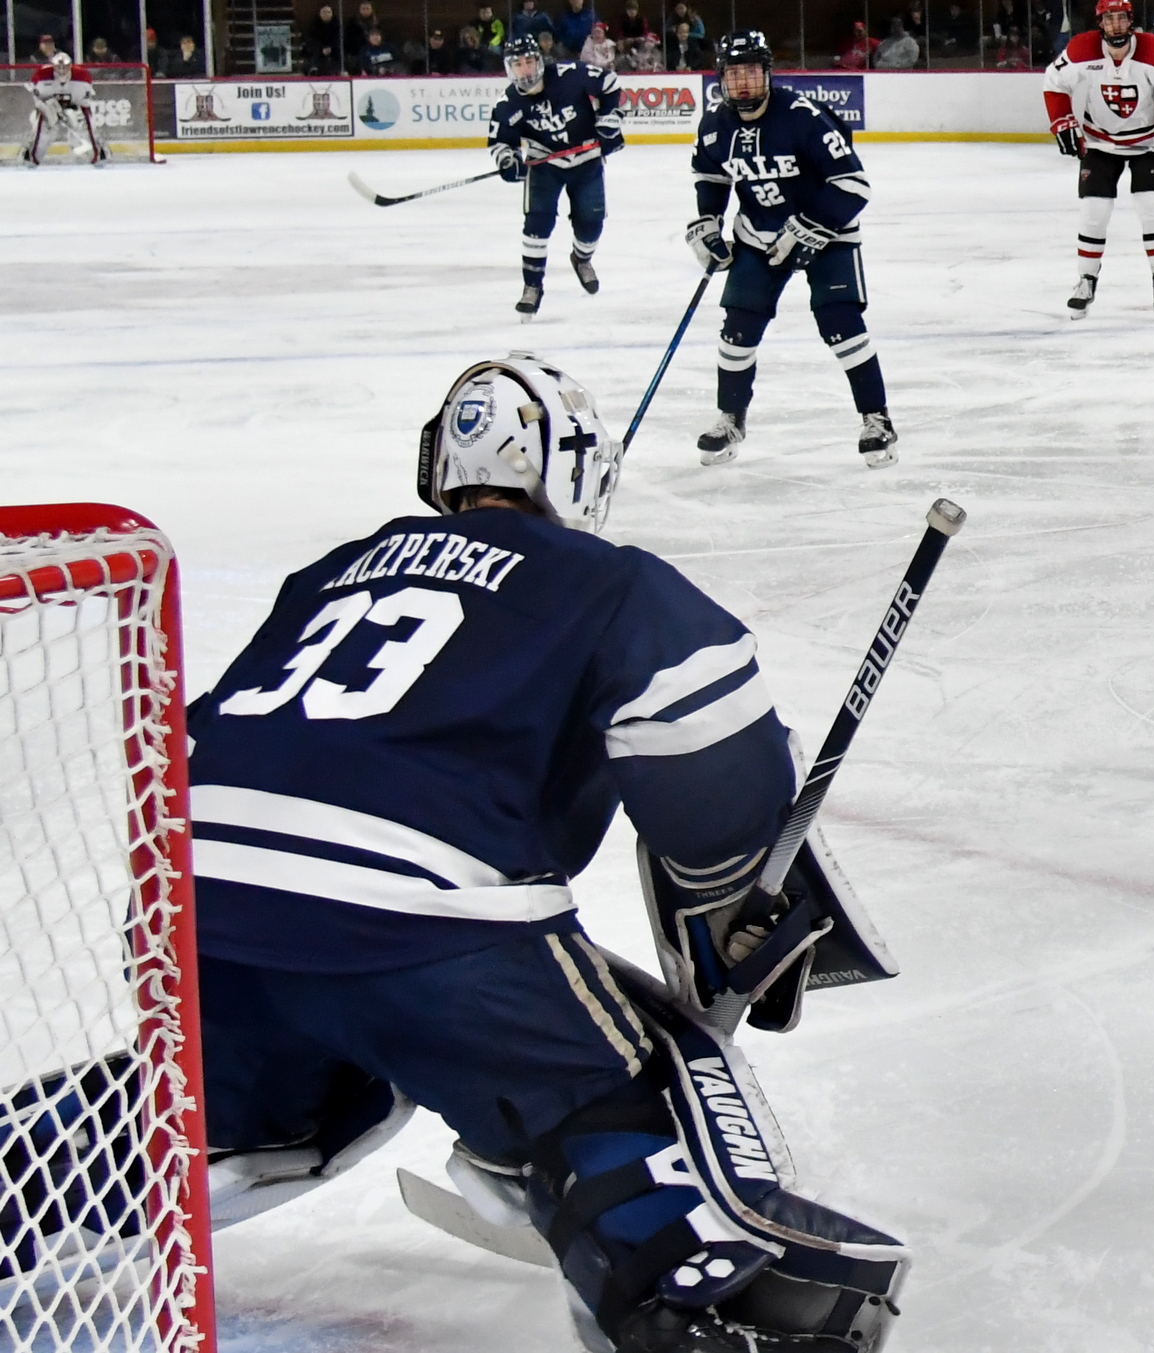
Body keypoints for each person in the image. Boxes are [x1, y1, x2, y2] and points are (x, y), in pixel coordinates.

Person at [189, 354, 913, 1353]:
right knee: (642, 1075)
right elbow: (709, 756)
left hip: (204, 921)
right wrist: (729, 906)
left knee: (211, 1114)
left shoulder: (327, 573)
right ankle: (693, 1297)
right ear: (575, 469)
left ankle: (54, 1176)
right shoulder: (605, 580)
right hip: (427, 936)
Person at [684, 31, 897, 468]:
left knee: (841, 322)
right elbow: (711, 176)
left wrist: (812, 227)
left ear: (768, 74)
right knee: (736, 331)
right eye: (734, 74)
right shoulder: (714, 125)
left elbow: (853, 186)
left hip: (828, 232)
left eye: (752, 72)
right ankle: (731, 419)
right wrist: (708, 222)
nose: (743, 83)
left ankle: (877, 420)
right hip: (759, 235)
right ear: (722, 78)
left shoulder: (805, 117)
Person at [1042, 0, 1154, 317]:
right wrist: (1061, 121)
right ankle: (1086, 281)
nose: (1115, 25)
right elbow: (1054, 83)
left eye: (1120, 18)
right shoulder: (1081, 49)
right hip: (1100, 142)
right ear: (1100, 22)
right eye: (1109, 18)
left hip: (1150, 141)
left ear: (1130, 21)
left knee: (1150, 204)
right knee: (1094, 210)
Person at [488, 35, 623, 317]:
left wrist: (610, 116)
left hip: (587, 162)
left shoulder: (570, 75)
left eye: (529, 61)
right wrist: (508, 161)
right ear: (508, 68)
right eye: (517, 64)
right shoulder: (507, 103)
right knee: (537, 224)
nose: (525, 70)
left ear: (539, 60)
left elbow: (610, 84)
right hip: (544, 166)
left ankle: (581, 258)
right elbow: (501, 142)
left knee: (590, 225)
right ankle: (532, 287)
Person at [19, 54, 107, 165]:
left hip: (75, 108)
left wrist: (74, 111)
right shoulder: (41, 75)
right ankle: (31, 158)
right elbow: (38, 98)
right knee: (42, 132)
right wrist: (47, 108)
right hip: (50, 108)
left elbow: (85, 102)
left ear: (70, 65)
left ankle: (98, 156)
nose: (61, 70)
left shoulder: (82, 76)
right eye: (58, 66)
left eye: (65, 66)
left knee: (87, 131)